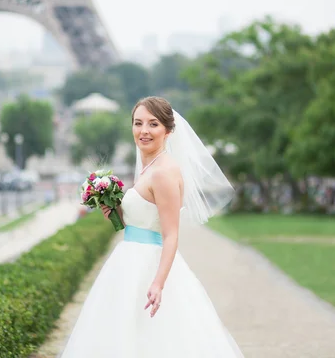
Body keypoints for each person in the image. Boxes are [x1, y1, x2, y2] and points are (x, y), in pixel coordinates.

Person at [60, 97, 243, 357]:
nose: (143, 131)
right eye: (138, 123)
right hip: (128, 261)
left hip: (149, 266)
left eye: (153, 124)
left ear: (168, 131)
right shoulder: (149, 167)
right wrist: (115, 211)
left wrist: (158, 283)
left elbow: (170, 235)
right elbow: (142, 221)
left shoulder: (164, 173)